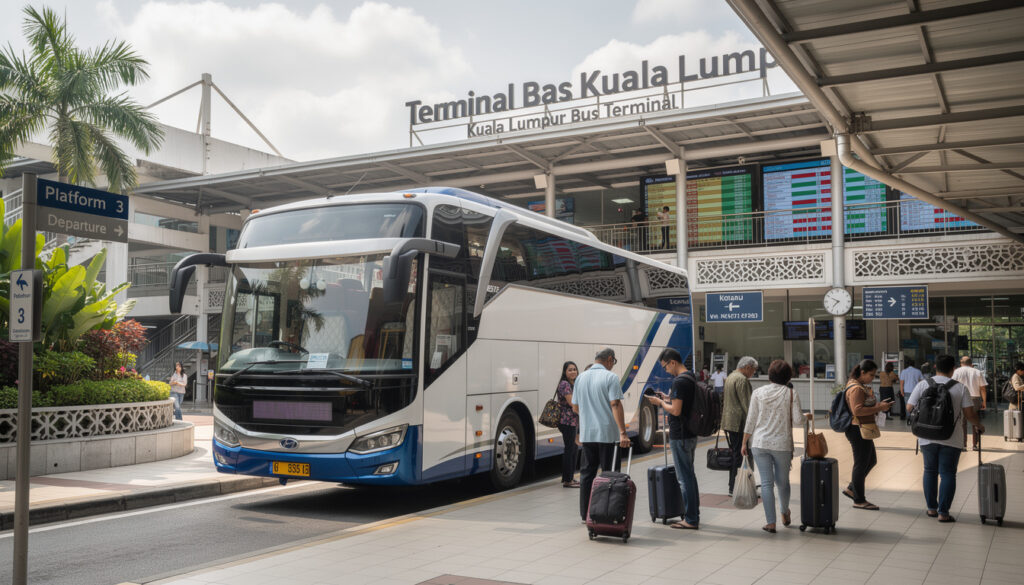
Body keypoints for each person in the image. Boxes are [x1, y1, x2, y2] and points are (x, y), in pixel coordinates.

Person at [907, 354, 985, 522]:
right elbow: (969, 414)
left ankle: (931, 509)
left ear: (935, 367)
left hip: (926, 436)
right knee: (948, 474)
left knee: (929, 471)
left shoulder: (923, 384)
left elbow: (909, 407)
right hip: (951, 438)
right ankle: (943, 513)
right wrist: (979, 425)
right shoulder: (960, 388)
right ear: (953, 369)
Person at [741, 360, 813, 533]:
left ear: (770, 375)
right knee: (782, 482)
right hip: (782, 444)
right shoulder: (790, 393)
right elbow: (797, 420)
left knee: (766, 483)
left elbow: (750, 420)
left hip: (759, 443)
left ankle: (770, 523)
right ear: (788, 376)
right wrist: (807, 417)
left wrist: (744, 442)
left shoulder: (758, 392)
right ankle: (784, 512)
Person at [572, 348, 631, 521]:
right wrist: (623, 433)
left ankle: (586, 514)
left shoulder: (580, 378)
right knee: (610, 475)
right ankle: (608, 513)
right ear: (610, 359)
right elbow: (615, 404)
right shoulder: (610, 377)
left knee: (586, 475)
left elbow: (575, 408)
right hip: (608, 435)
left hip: (588, 435)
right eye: (614, 362)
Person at [647, 348, 700, 530]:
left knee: (684, 478)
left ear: (672, 362)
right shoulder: (691, 377)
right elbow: (684, 404)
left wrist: (661, 403)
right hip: (691, 433)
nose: (666, 370)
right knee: (690, 476)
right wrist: (669, 398)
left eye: (665, 366)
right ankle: (693, 515)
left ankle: (691, 519)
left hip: (681, 435)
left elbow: (676, 411)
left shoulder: (679, 381)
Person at [843, 359, 891, 510]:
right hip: (857, 428)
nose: (873, 378)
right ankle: (859, 499)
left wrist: (878, 405)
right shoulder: (856, 388)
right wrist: (879, 407)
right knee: (861, 463)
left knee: (871, 460)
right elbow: (857, 410)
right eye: (871, 375)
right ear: (862, 373)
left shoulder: (857, 385)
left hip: (862, 428)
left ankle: (852, 488)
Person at [721, 356, 758, 495]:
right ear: (747, 367)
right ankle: (737, 487)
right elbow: (748, 405)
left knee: (736, 453)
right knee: (741, 454)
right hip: (739, 423)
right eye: (753, 370)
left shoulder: (731, 376)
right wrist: (754, 423)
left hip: (729, 421)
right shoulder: (742, 380)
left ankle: (734, 486)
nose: (753, 373)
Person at [953, 356, 987, 450]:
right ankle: (975, 445)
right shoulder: (977, 372)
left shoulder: (956, 372)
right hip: (975, 398)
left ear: (961, 363)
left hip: (961, 398)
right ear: (971, 363)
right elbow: (983, 388)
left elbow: (952, 385)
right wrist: (984, 401)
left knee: (962, 422)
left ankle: (963, 445)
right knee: (975, 421)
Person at [555, 361, 581, 488]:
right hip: (567, 421)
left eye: (574, 369)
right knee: (570, 449)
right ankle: (567, 480)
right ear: (565, 372)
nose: (573, 372)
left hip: (573, 420)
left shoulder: (574, 383)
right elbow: (572, 403)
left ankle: (569, 477)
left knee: (573, 449)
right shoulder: (565, 384)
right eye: (570, 370)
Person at [899, 358, 924, 422]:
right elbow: (922, 382)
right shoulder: (918, 371)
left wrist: (902, 391)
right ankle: (915, 418)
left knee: (907, 406)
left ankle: (909, 419)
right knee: (916, 406)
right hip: (916, 391)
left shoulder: (904, 371)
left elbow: (901, 383)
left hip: (906, 391)